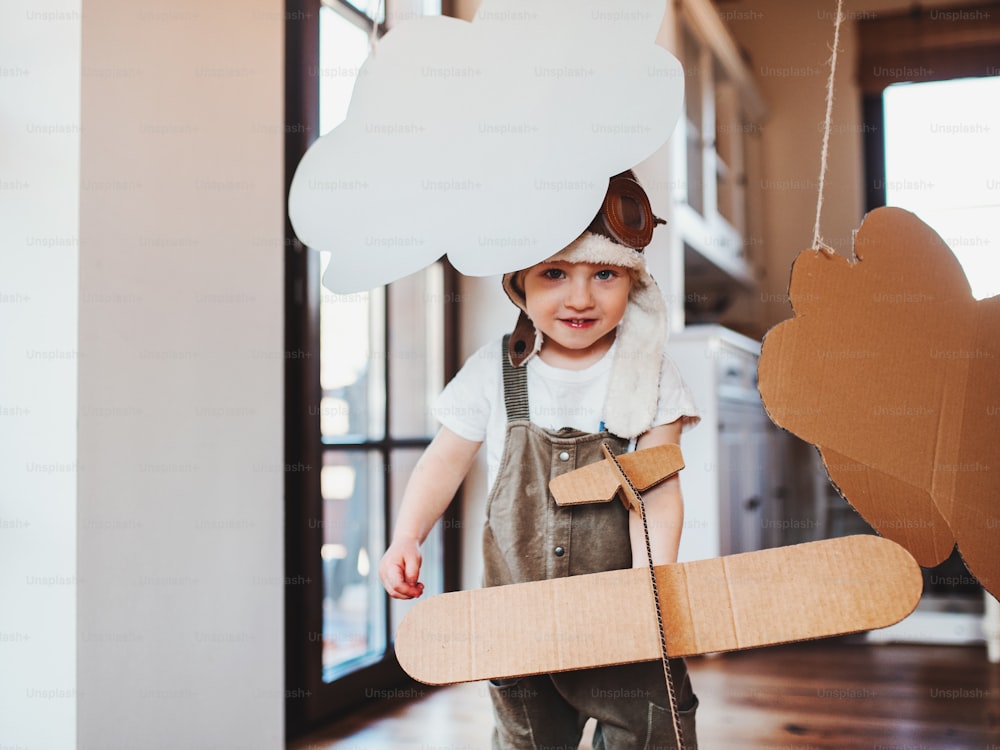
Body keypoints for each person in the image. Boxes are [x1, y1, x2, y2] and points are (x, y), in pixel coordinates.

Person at [379, 171, 700, 750]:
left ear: (633, 280)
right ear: (520, 284)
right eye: (555, 273)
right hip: (518, 620)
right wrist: (408, 535)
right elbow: (443, 461)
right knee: (528, 740)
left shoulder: (651, 374)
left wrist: (649, 591)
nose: (580, 298)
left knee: (652, 733)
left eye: (604, 274)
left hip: (622, 619)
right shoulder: (493, 371)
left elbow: (656, 489)